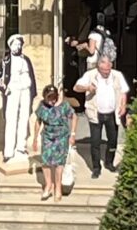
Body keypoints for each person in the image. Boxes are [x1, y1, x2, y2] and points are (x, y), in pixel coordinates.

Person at [80, 49, 129, 179]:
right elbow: (76, 87)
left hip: (112, 114)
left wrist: (123, 105)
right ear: (98, 67)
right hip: (96, 113)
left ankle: (109, 162)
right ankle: (96, 168)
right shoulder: (90, 75)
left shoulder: (117, 75)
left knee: (112, 141)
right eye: (104, 71)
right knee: (95, 142)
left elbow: (124, 91)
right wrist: (87, 88)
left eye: (109, 70)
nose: (107, 72)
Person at [0, 35, 38, 164]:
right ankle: (9, 151)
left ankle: (21, 147)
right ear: (10, 45)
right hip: (13, 91)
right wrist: (4, 89)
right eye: (15, 44)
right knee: (11, 119)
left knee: (24, 118)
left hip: (25, 91)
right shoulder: (5, 61)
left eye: (19, 44)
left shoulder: (26, 60)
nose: (17, 47)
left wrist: (32, 93)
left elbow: (32, 76)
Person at [32, 80, 73, 200]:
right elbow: (38, 121)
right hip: (48, 137)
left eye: (54, 98)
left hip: (62, 137)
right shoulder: (42, 106)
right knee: (46, 161)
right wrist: (35, 138)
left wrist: (73, 134)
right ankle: (48, 185)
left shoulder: (64, 105)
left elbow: (74, 117)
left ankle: (58, 187)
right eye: (49, 98)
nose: (52, 101)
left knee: (59, 163)